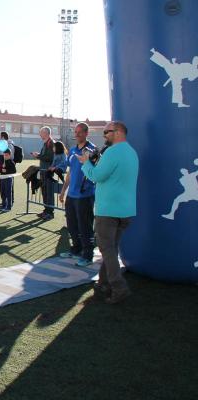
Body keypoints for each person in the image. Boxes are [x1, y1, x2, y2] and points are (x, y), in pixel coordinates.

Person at [77, 121, 139, 304]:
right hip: (126, 210)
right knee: (110, 249)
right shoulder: (132, 152)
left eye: (106, 132)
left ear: (118, 132)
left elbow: (96, 176)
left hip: (108, 210)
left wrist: (86, 163)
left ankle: (119, 287)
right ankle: (103, 282)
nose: (104, 136)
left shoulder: (112, 152)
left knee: (107, 250)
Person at [59, 123, 96, 267]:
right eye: (76, 132)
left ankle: (88, 255)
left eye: (80, 132)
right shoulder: (73, 150)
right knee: (72, 224)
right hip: (72, 195)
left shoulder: (92, 150)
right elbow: (70, 172)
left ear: (87, 133)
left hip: (85, 195)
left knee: (85, 225)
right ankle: (76, 249)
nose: (77, 135)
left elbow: (95, 172)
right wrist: (63, 191)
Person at [31, 127, 55, 220]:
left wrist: (38, 156)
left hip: (48, 172)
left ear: (46, 133)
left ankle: (50, 212)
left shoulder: (51, 143)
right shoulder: (46, 143)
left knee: (48, 192)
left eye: (41, 133)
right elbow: (45, 156)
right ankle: (46, 210)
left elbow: (49, 157)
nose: (40, 135)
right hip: (43, 171)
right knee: (44, 192)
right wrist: (39, 156)